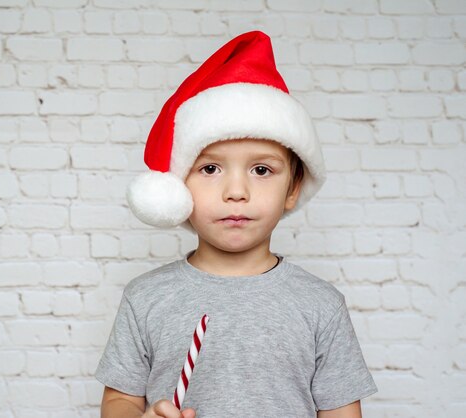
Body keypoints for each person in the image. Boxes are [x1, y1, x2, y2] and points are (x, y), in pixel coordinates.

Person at [95, 31, 378, 418]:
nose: (236, 191)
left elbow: (342, 412)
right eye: (210, 168)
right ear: (177, 186)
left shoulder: (321, 305)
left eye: (262, 169)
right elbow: (120, 399)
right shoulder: (146, 297)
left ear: (292, 189)